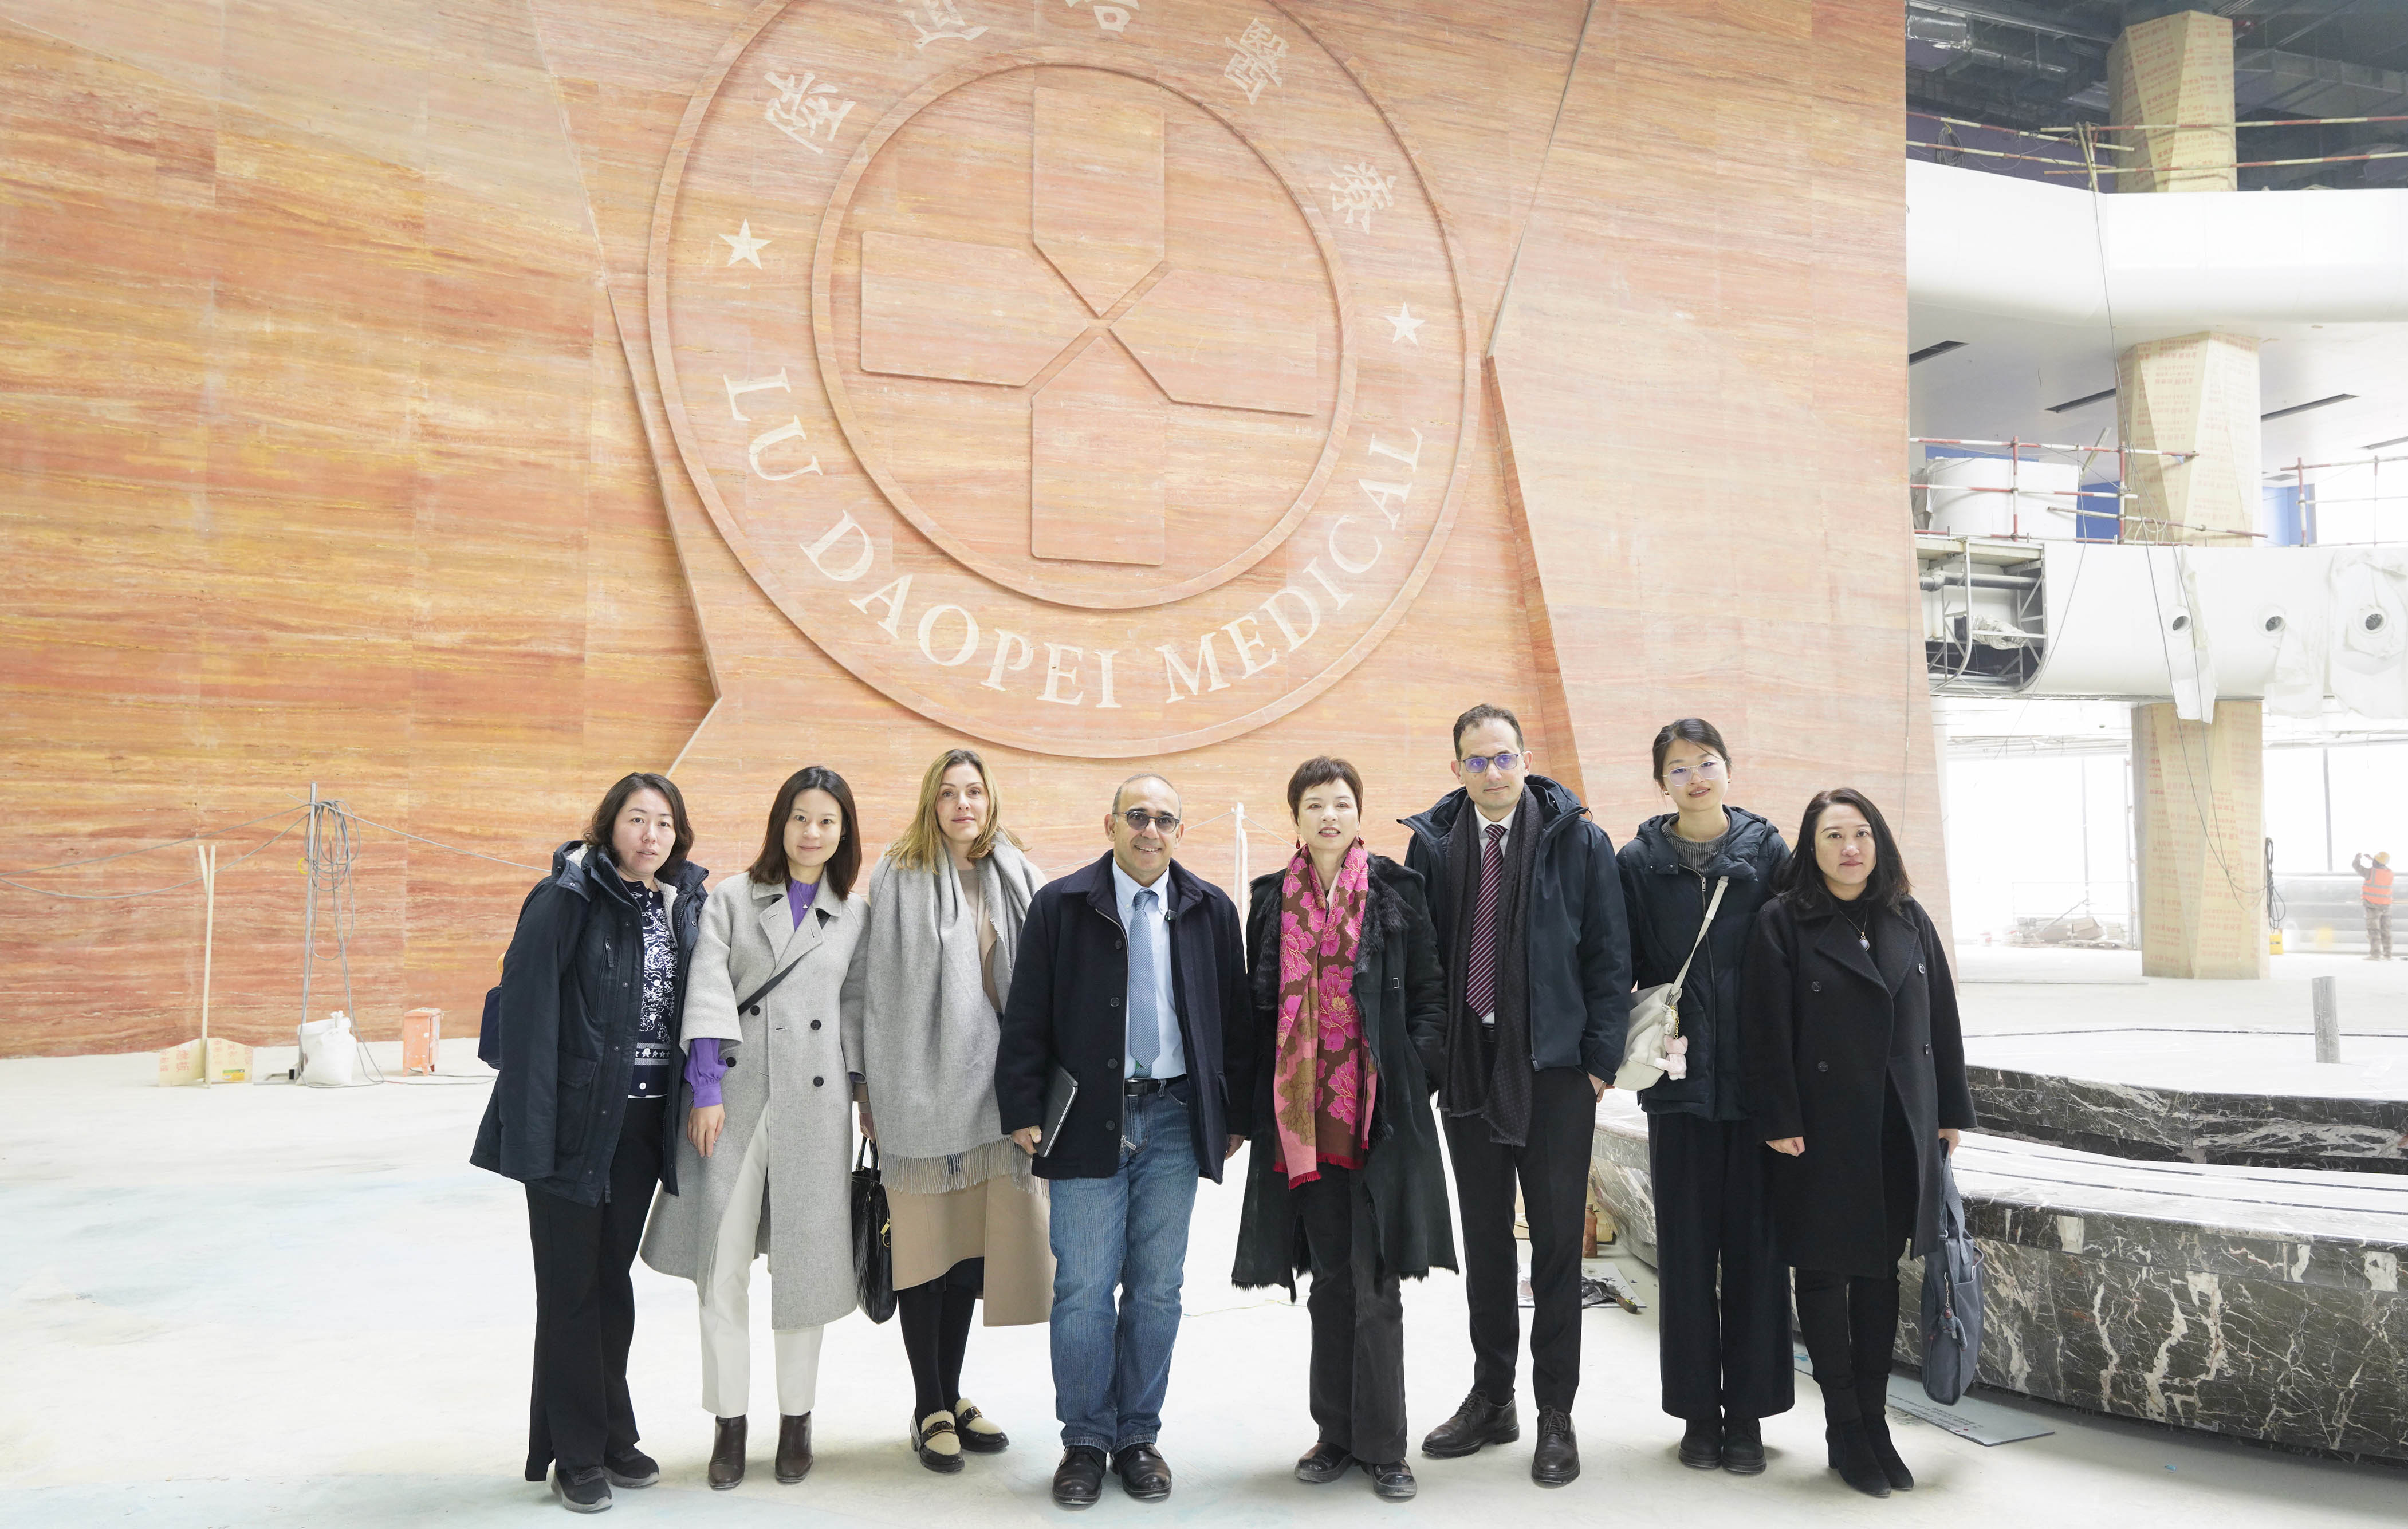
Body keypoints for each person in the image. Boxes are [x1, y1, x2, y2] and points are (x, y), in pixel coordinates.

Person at [995, 773, 1250, 1509]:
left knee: (1157, 1287)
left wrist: (1234, 1115)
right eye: (1137, 815)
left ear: (1180, 831)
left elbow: (1235, 1020)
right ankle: (1084, 1440)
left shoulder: (1209, 909)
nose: (1150, 830)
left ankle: (1137, 1436)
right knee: (1082, 1287)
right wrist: (1021, 1106)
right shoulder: (1061, 906)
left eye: (1165, 819)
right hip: (1084, 1118)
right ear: (1109, 824)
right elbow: (1026, 1013)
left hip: (1174, 1118)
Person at [1402, 703, 1631, 1487]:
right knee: (1487, 1241)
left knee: (1559, 1244)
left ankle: (1555, 1413)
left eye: (1503, 757)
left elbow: (1609, 956)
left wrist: (1597, 1064)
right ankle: (1492, 1397)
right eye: (1476, 760)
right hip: (1470, 1065)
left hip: (1556, 1071)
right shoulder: (1434, 844)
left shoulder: (1580, 840)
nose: (1492, 771)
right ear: (1457, 769)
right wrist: (1429, 1058)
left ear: (1526, 760)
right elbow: (1424, 961)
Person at [471, 773, 709, 1514]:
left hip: (641, 1123)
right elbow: (527, 1019)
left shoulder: (679, 904)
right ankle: (574, 1455)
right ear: (609, 825)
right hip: (572, 1121)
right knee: (569, 1288)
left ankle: (608, 1432)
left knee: (609, 1281)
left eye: (663, 823)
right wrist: (530, 1134)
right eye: (636, 819)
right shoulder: (566, 898)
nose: (650, 834)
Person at [1741, 787, 1974, 1500]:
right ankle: (1843, 1426)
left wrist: (1949, 1110)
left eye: (1862, 834)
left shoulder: (1908, 916)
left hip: (1899, 1122)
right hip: (1818, 1126)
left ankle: (1874, 1423)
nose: (1850, 848)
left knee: (1879, 1275)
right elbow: (1764, 1029)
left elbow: (1941, 1020)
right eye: (1833, 836)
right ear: (1810, 848)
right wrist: (1778, 1116)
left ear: (1879, 843)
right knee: (1821, 1274)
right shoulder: (1783, 921)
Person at [1232, 757, 1454, 1503]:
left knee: (1376, 1283)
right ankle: (1334, 1434)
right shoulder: (1272, 900)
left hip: (1375, 1116)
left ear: (1359, 812)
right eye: (1315, 805)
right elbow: (1256, 1008)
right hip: (1303, 1123)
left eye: (1341, 803)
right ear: (1295, 817)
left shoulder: (1397, 890)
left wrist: (1414, 1074)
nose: (1329, 816)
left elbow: (1429, 993)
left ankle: (1384, 1446)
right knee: (1330, 1281)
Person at [638, 767, 867, 1490]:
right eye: (801, 817)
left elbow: (856, 1011)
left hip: (816, 1110)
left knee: (806, 1268)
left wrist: (864, 1095)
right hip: (732, 1103)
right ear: (780, 823)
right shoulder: (733, 898)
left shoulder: (854, 914)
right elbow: (708, 987)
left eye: (827, 821)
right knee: (721, 1264)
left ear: (843, 833)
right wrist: (705, 1087)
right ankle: (729, 1424)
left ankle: (797, 1421)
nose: (812, 833)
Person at [852, 748, 1050, 1473]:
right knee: (923, 1254)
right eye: (947, 793)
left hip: (998, 1096)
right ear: (929, 803)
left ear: (989, 799)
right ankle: (927, 1404)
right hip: (917, 1089)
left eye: (973, 792)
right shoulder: (897, 874)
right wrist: (868, 1091)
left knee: (968, 1255)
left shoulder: (1021, 875)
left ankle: (954, 1393)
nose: (962, 804)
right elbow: (872, 989)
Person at [1618, 720, 1795, 1474]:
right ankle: (1697, 1413)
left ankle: (1747, 1416)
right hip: (1678, 1083)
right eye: (1679, 767)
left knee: (1757, 1254)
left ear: (1728, 769)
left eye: (1707, 762)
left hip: (1755, 1087)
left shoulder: (1769, 853)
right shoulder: (1636, 863)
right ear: (1661, 781)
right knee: (1686, 1255)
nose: (1695, 777)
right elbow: (1619, 962)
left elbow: (1795, 956)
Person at [2354, 851, 2393, 960]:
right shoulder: (2390, 873)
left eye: (2375, 861)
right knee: (2386, 931)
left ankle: (2375, 955)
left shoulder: (2370, 872)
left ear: (2377, 862)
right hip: (2386, 906)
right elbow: (2380, 867)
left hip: (2373, 907)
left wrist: (2357, 858)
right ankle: (2388, 955)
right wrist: (2372, 859)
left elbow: (2356, 866)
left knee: (2374, 931)